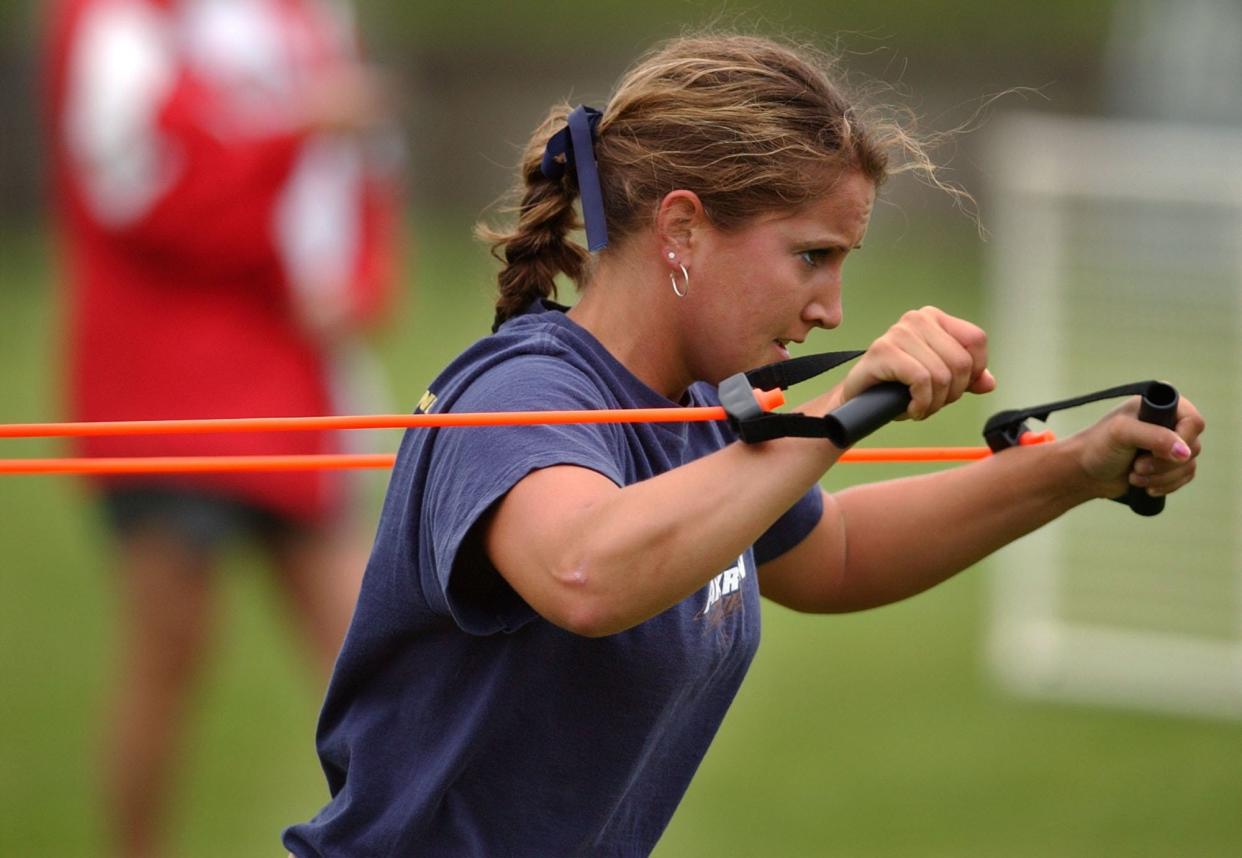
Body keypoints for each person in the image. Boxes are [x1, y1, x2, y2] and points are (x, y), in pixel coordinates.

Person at [283, 32, 1204, 857]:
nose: (832, 309)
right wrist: (836, 413)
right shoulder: (524, 390)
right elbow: (583, 574)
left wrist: (1076, 468)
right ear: (683, 228)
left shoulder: (694, 412)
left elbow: (833, 555)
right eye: (812, 256)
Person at [43, 1, 402, 855]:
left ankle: (414, 837)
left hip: (295, 385)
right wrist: (297, 128)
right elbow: (144, 190)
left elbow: (361, 170)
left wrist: (356, 277)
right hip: (167, 384)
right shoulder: (117, 20)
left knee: (376, 651)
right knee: (170, 646)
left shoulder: (304, 15)